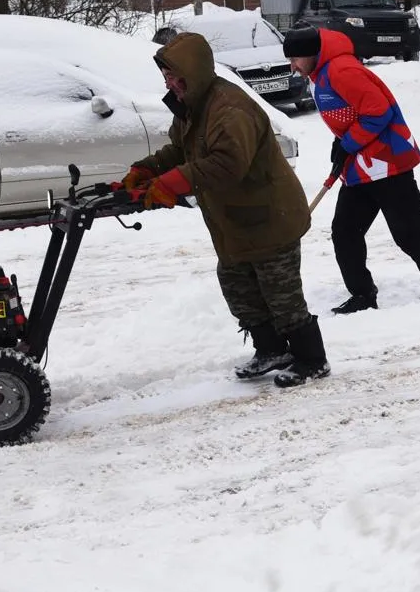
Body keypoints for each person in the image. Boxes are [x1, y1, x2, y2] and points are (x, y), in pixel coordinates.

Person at [120, 30, 330, 386]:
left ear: (193, 72)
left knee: (281, 294)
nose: (169, 83)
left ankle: (312, 359)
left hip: (270, 215)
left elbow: (227, 164)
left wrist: (171, 184)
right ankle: (271, 349)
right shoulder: (192, 105)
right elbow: (182, 150)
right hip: (236, 219)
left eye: (174, 76)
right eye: (166, 76)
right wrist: (148, 170)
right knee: (238, 286)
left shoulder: (230, 109)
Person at [282, 25, 420, 314]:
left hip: (389, 162)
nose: (293, 66)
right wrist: (340, 142)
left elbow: (379, 111)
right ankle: (363, 295)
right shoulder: (321, 74)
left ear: (313, 53)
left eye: (295, 59)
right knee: (345, 231)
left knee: (409, 231)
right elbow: (351, 114)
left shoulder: (342, 71)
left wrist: (348, 142)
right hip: (360, 166)